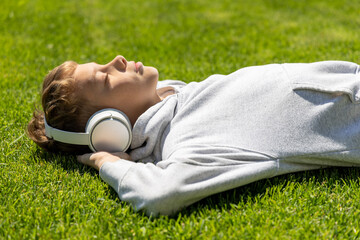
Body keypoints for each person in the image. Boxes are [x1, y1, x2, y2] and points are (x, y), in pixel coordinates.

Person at [28, 56, 360, 216]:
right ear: (109, 127)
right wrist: (106, 159)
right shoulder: (188, 140)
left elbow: (157, 100)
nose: (117, 60)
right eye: (105, 78)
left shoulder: (172, 99)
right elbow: (161, 194)